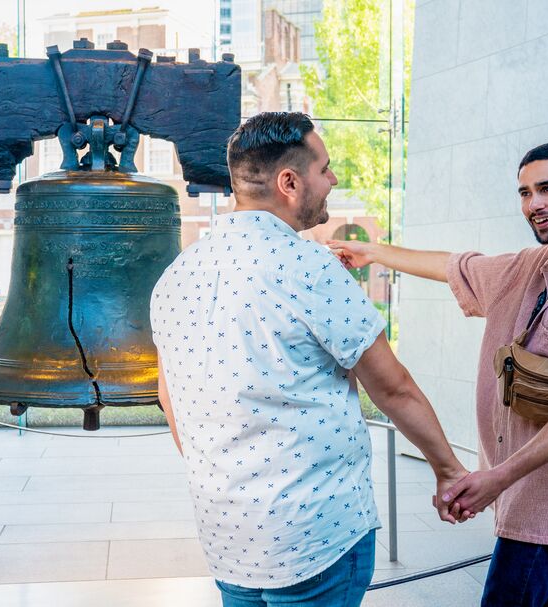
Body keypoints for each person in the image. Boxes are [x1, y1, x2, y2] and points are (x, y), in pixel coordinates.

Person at [150, 112, 469, 607]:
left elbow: (169, 397)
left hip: (227, 533)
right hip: (314, 534)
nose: (334, 180)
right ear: (290, 182)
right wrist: (449, 470)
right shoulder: (307, 263)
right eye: (325, 169)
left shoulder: (177, 273)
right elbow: (393, 387)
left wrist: (225, 480)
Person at [329, 141, 548, 607]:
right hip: (521, 496)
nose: (534, 204)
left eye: (547, 188)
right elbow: (456, 267)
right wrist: (373, 252)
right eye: (524, 192)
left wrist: (497, 478)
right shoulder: (538, 264)